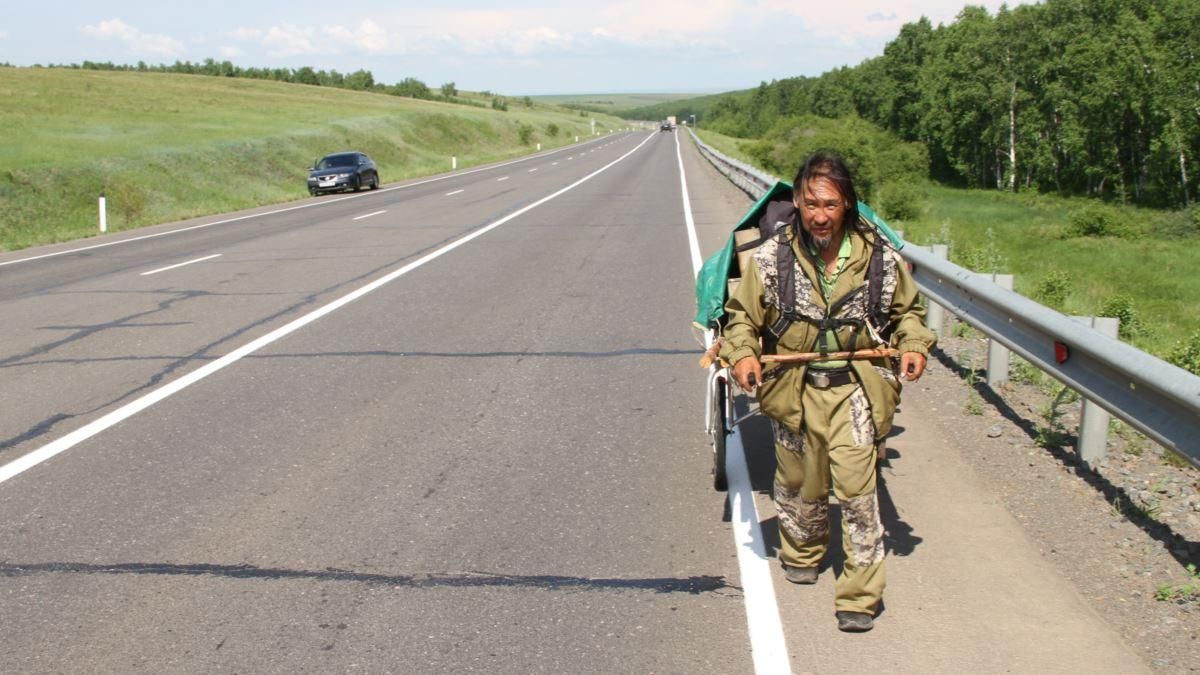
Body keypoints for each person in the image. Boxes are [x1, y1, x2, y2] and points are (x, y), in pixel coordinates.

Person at [720, 151, 936, 633]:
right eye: (811, 203)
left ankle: (859, 596)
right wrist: (744, 355)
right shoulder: (770, 259)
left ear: (848, 205)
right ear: (797, 201)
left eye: (831, 205)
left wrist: (913, 345)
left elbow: (908, 316)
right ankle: (803, 550)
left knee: (858, 492)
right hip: (792, 387)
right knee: (801, 481)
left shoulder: (878, 257)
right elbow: (741, 319)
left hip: (857, 387)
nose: (820, 215)